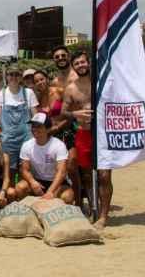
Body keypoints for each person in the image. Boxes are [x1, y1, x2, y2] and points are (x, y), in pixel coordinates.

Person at [33, 69, 79, 205]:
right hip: (50, 137)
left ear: (47, 79)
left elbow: (73, 111)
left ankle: (79, 201)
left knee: (71, 166)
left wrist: (59, 127)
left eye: (41, 79)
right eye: (36, 81)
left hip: (65, 132)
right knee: (56, 168)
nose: (39, 83)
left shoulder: (59, 91)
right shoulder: (38, 98)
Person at [61, 51, 97, 220]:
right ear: (73, 67)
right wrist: (77, 114)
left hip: (100, 132)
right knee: (83, 171)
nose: (81, 65)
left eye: (83, 62)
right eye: (77, 64)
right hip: (81, 132)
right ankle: (86, 205)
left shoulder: (99, 82)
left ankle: (97, 206)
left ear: (88, 63)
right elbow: (63, 112)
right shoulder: (71, 88)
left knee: (100, 172)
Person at [15, 112, 74, 204]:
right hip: (38, 181)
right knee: (20, 188)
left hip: (56, 182)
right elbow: (24, 170)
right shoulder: (26, 145)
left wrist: (50, 191)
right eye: (33, 126)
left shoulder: (58, 145)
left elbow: (61, 172)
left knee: (67, 196)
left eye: (39, 126)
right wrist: (33, 182)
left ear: (48, 129)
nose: (35, 129)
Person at [0, 65, 39, 181]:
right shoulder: (0, 95)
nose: (13, 77)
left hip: (27, 139)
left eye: (17, 74)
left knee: (26, 169)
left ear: (20, 77)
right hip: (8, 140)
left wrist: (37, 136)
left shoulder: (28, 93)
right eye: (11, 74)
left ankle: (24, 194)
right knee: (10, 171)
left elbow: (35, 117)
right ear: (7, 76)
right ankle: (11, 194)